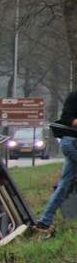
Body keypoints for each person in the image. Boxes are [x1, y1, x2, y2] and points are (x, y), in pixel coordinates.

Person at [35, 90, 77, 233]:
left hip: (70, 143)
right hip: (72, 142)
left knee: (65, 184)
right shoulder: (75, 96)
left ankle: (45, 220)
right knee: (65, 184)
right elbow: (66, 118)